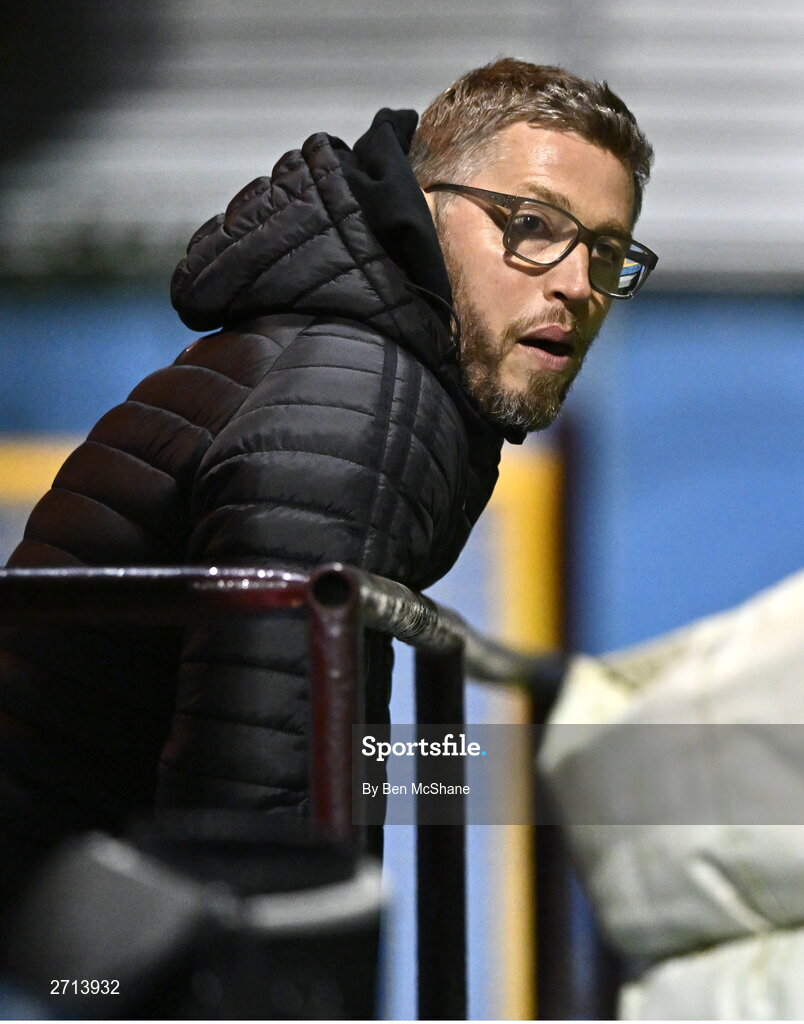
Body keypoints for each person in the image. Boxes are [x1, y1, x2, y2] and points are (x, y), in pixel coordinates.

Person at [0, 59, 655, 890]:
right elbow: (264, 796)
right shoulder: (364, 400)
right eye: (530, 225)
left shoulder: (352, 358)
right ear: (423, 205)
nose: (575, 283)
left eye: (607, 251)